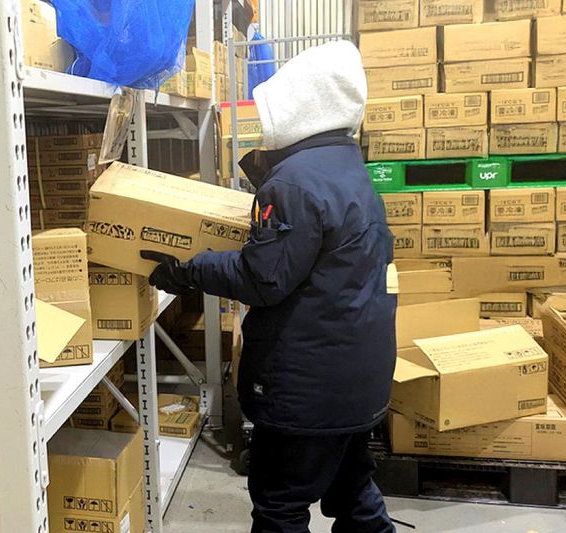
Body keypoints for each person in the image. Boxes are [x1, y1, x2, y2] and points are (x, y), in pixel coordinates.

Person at [141, 40, 397, 533]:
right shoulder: (347, 168)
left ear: (302, 106)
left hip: (307, 388)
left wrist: (186, 269)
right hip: (355, 379)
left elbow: (263, 278)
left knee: (280, 505)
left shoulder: (295, 184)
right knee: (352, 489)